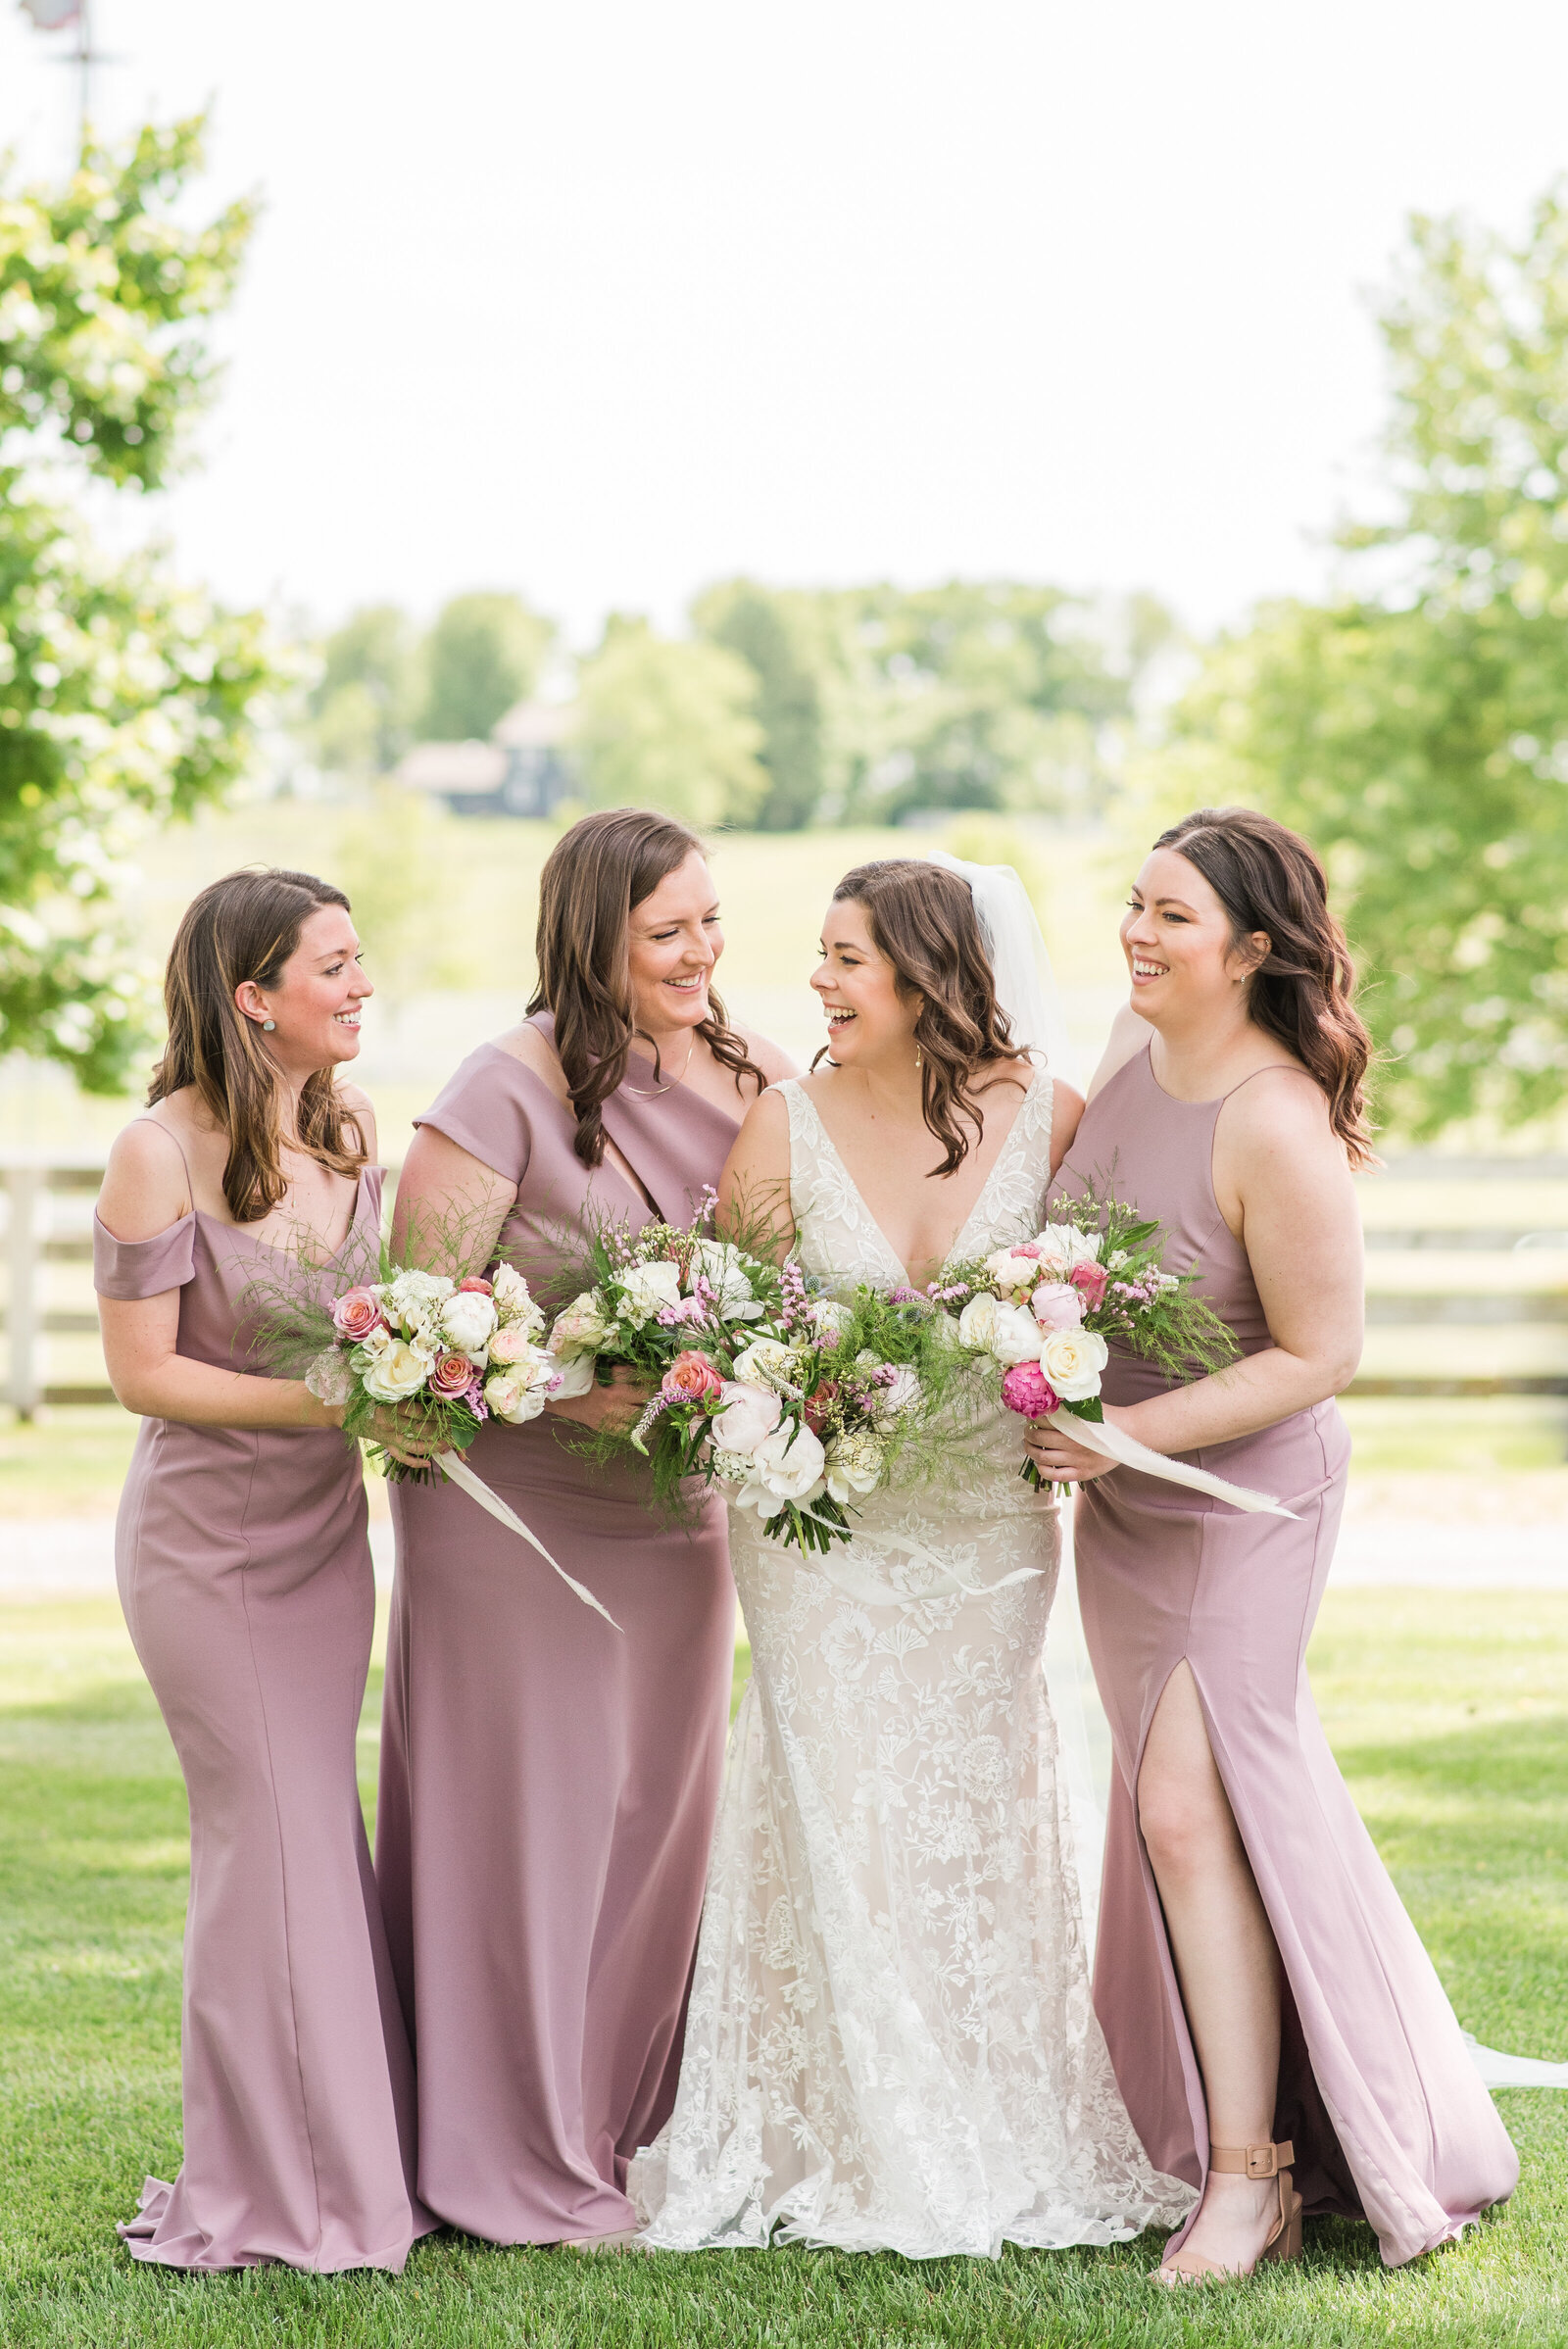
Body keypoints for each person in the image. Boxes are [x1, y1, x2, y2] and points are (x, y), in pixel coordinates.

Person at [632, 856, 1194, 2258]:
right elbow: (744, 1331)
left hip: (990, 1524)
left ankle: (986, 2113)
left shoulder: (1052, 1116)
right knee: (832, 1792)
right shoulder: (782, 1123)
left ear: (927, 976)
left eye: (845, 958)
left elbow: (1105, 1297)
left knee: (968, 1799)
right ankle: (840, 2124)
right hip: (819, 1524)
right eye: (819, 956)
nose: (814, 981)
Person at [1034, 807, 1518, 2278]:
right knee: (1199, 1819)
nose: (1136, 930)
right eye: (1135, 903)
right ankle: (1278, 2121)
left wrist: (1127, 1433)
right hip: (1124, 1512)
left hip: (1244, 1507)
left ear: (1251, 949)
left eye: (1172, 915)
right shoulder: (1127, 1067)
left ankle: (1252, 2178)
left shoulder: (1273, 1112)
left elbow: (1322, 1351)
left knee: (1187, 1813)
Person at [376, 807, 793, 2248]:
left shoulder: (753, 1077)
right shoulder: (499, 1086)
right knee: (527, 1824)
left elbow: (789, 1277)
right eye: (668, 929)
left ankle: (623, 2125)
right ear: (593, 934)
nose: (703, 951)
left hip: (676, 1511)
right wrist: (571, 1380)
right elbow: (416, 1334)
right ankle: (511, 2154)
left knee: (651, 1821)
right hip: (510, 1519)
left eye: (711, 923)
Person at [93, 868, 430, 2273]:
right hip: (206, 1552)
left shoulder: (349, 1133)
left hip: (322, 1544)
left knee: (311, 1839)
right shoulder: (154, 1151)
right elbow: (141, 1374)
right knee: (269, 1844)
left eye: (363, 961)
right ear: (253, 995)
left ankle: (346, 2166)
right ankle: (283, 2193)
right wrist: (345, 1405)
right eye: (335, 965)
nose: (362, 984)